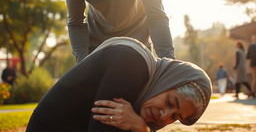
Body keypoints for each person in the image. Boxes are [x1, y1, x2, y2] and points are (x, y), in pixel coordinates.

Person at [26, 37, 212, 132]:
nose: (164, 116)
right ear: (168, 82)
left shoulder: (143, 89)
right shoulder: (132, 64)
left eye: (175, 117)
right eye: (171, 103)